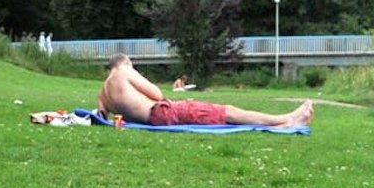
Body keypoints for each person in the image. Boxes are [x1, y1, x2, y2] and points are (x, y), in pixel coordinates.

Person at [97, 54, 313, 128]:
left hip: (158, 115)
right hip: (162, 112)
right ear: (125, 62)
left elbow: (101, 115)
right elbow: (156, 94)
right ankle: (285, 119)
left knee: (217, 112)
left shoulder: (103, 93)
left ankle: (282, 122)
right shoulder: (123, 70)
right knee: (227, 111)